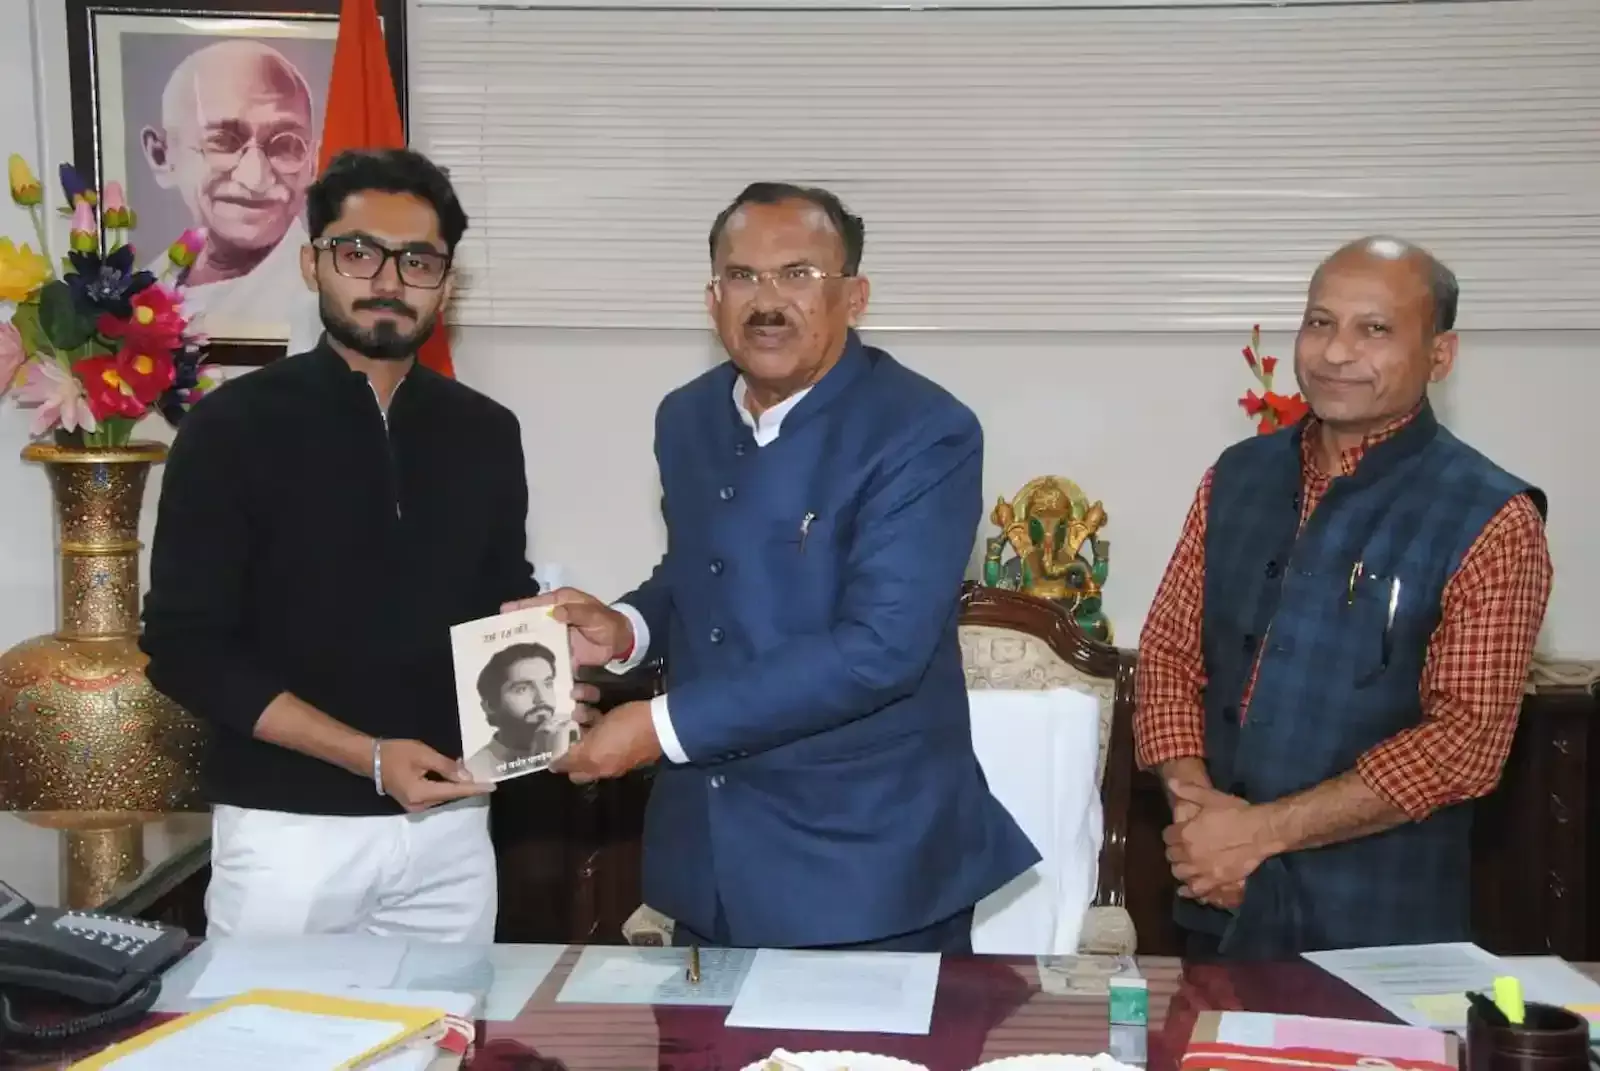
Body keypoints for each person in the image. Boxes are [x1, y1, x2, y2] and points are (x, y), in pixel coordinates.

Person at [513, 182, 1039, 953]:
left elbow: (879, 650)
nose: (767, 301)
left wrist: (659, 726)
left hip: (862, 871)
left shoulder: (924, 431)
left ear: (854, 296)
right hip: (706, 860)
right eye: (742, 276)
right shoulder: (687, 416)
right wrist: (623, 628)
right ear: (712, 298)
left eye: (798, 274)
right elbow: (699, 570)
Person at [141, 148, 541, 942]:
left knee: (451, 1022)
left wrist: (549, 691)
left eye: (418, 260)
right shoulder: (230, 429)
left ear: (446, 282)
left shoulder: (487, 432)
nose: (389, 280)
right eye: (359, 252)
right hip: (289, 835)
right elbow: (185, 649)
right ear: (312, 263)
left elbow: (499, 604)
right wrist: (369, 756)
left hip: (452, 827)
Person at [1134, 236, 1552, 959]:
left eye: (1375, 329)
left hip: (1377, 930)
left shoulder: (1491, 516)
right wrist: (1201, 818)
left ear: (1441, 356)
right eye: (1320, 322)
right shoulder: (1235, 477)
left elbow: (1464, 742)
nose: (1335, 352)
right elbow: (1169, 654)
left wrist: (1258, 834)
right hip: (1216, 912)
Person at [140, 39, 317, 340]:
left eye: (286, 145)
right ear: (162, 156)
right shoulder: (138, 290)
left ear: (312, 162)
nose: (255, 178)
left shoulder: (322, 306)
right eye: (223, 141)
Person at [462, 643, 572, 780]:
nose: (542, 698)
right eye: (522, 689)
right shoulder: (473, 774)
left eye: (547, 684)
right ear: (490, 706)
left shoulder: (573, 742)